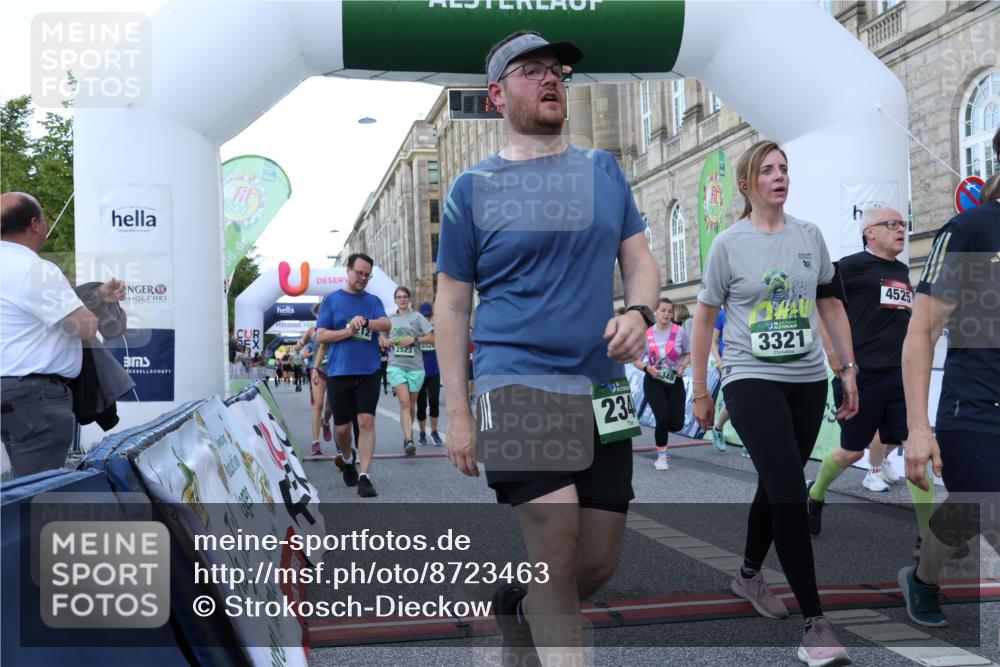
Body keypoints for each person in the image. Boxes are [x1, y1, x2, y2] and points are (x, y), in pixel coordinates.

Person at [435, 31, 659, 667]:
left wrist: (640, 312)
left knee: (595, 562)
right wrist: (458, 413)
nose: (551, 79)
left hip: (601, 390)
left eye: (556, 70)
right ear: (497, 96)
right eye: (530, 72)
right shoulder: (471, 189)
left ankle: (519, 606)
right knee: (556, 543)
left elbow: (641, 263)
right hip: (516, 382)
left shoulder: (602, 171)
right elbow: (452, 307)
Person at [690, 141, 857, 667]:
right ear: (746, 184)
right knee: (788, 486)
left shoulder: (809, 236)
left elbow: (829, 302)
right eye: (767, 170)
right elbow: (702, 317)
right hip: (749, 376)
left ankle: (747, 577)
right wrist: (700, 388)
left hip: (806, 378)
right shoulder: (729, 245)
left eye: (783, 168)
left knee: (776, 480)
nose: (779, 176)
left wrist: (846, 368)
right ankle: (815, 624)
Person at [898, 131, 999, 627]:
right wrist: (919, 429)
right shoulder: (971, 229)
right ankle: (924, 578)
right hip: (976, 412)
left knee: (968, 512)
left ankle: (922, 579)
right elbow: (921, 330)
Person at [0, 192, 125, 478]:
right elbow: (84, 326)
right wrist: (94, 308)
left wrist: (95, 296)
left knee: (14, 487)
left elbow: (32, 315)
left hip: (10, 395)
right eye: (44, 216)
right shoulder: (35, 269)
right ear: (35, 224)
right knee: (36, 495)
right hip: (34, 398)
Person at [807, 207, 915, 533]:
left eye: (903, 224)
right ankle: (815, 494)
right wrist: (832, 353)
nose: (901, 230)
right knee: (852, 451)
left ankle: (927, 535)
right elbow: (819, 301)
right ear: (870, 232)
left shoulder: (903, 270)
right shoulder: (849, 267)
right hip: (861, 374)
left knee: (915, 448)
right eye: (891, 224)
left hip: (900, 375)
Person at [315, 253, 391, 498]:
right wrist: (349, 331)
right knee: (342, 428)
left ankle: (365, 476)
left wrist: (367, 322)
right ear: (348, 271)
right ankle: (348, 458)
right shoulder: (332, 301)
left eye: (367, 275)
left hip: (369, 370)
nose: (362, 278)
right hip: (339, 371)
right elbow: (322, 336)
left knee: (366, 421)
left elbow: (386, 324)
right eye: (359, 273)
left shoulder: (373, 301)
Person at [631, 298, 690, 470]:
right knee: (662, 418)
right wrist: (646, 368)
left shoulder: (679, 332)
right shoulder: (647, 334)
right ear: (656, 312)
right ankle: (661, 457)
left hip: (674, 381)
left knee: (676, 423)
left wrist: (683, 365)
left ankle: (665, 438)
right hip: (653, 380)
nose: (666, 314)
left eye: (670, 311)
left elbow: (688, 353)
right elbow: (635, 359)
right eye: (663, 310)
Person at [381, 286, 433, 456]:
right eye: (399, 297)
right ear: (395, 300)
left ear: (409, 299)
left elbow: (432, 338)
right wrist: (385, 342)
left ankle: (407, 435)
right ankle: (409, 439)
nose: (402, 299)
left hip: (416, 368)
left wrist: (414, 339)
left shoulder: (417, 317)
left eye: (405, 297)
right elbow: (381, 336)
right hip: (396, 366)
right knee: (404, 402)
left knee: (411, 404)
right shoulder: (390, 319)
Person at [301, 304, 333, 456]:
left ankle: (325, 422)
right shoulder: (311, 331)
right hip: (318, 370)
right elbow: (303, 342)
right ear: (316, 315)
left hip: (334, 371)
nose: (322, 316)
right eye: (320, 314)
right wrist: (299, 345)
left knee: (330, 407)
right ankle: (315, 442)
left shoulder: (335, 328)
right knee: (318, 404)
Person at [708, 306, 737, 454]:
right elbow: (713, 341)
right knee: (735, 403)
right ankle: (718, 428)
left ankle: (751, 443)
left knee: (754, 401)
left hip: (750, 362)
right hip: (727, 364)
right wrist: (718, 361)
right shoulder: (721, 314)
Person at [416, 301, 443, 447]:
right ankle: (421, 433)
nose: (426, 319)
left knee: (433, 402)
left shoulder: (435, 330)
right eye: (424, 316)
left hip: (434, 372)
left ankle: (434, 431)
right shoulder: (416, 331)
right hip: (419, 372)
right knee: (421, 405)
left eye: (428, 316)